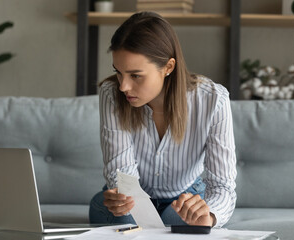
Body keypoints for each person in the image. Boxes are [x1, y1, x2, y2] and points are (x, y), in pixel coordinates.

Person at [89, 11, 237, 228]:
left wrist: (210, 217)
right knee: (123, 218)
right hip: (131, 201)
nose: (123, 86)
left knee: (181, 221)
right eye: (119, 72)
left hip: (183, 198)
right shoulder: (112, 94)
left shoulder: (214, 101)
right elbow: (123, 178)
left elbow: (222, 187)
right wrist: (121, 201)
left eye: (136, 75)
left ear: (168, 67)